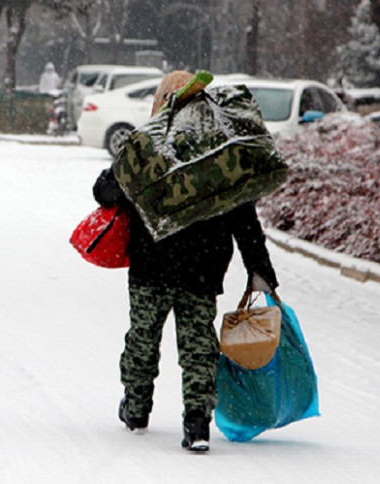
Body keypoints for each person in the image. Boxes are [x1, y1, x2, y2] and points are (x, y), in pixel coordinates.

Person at [92, 70, 280, 452]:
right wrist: (259, 269)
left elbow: (105, 192)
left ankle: (136, 408)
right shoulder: (221, 150)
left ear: (161, 100)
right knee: (198, 347)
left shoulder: (146, 145)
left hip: (151, 266)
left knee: (142, 340)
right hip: (203, 267)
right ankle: (197, 422)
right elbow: (244, 218)